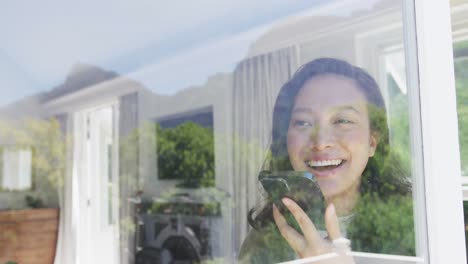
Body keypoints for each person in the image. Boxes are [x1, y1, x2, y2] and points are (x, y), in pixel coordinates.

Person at [239, 58, 414, 263]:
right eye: (303, 122)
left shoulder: (417, 225)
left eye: (342, 121)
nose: (321, 143)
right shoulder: (264, 238)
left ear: (372, 143)